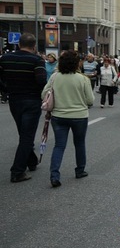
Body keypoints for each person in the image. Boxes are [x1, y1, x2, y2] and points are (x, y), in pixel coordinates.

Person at [41, 50, 94, 188]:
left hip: (58, 116)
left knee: (59, 145)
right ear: (77, 63)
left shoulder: (54, 77)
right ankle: (80, 170)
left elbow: (44, 94)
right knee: (79, 143)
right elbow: (90, 100)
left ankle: (54, 175)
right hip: (79, 116)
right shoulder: (83, 79)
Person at [0, 33, 46, 182]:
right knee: (27, 136)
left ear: (19, 44)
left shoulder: (5, 58)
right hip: (32, 100)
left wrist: (6, 89)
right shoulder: (37, 60)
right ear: (34, 46)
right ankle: (17, 171)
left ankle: (31, 162)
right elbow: (41, 80)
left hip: (15, 99)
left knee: (23, 132)